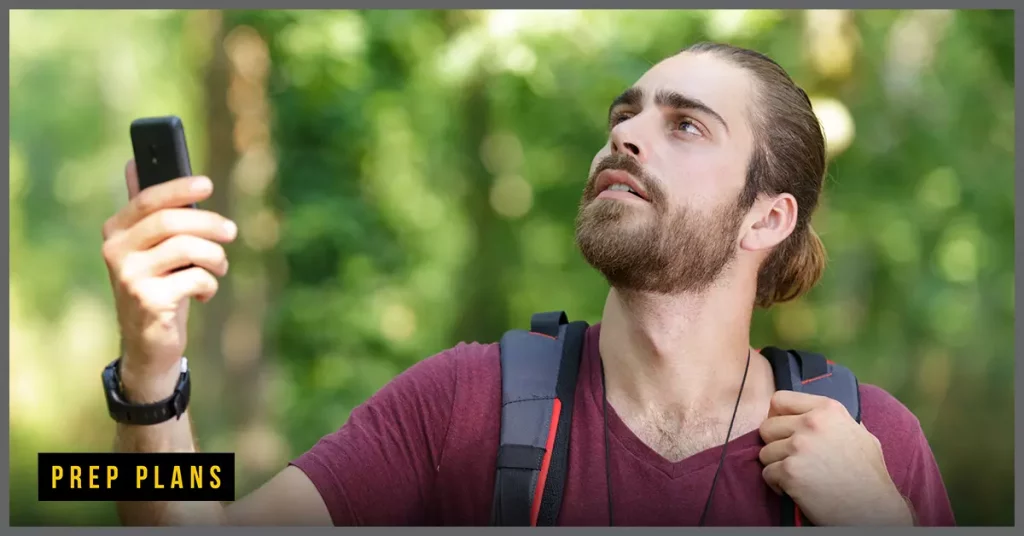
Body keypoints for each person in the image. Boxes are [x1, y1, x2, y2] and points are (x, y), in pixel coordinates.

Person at [100, 42, 956, 526]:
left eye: (684, 125)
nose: (626, 137)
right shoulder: (464, 402)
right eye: (625, 114)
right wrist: (149, 375)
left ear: (765, 219)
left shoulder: (873, 441)